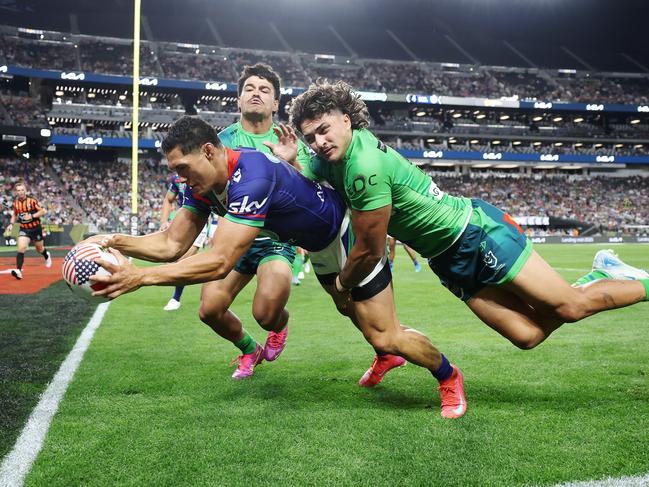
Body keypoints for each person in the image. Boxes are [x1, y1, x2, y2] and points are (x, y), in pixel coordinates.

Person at [87, 115, 466, 419]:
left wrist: (139, 276)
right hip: (319, 245)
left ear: (209, 151)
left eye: (184, 168)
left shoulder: (250, 177)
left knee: (385, 333)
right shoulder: (200, 185)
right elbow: (172, 243)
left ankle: (447, 375)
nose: (181, 179)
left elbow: (220, 261)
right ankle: (387, 357)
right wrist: (112, 240)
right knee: (348, 309)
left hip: (347, 235)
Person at [289, 80, 648, 364]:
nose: (319, 142)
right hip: (447, 260)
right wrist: (292, 159)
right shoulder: (330, 157)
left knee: (571, 307)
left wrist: (341, 284)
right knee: (527, 336)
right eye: (311, 138)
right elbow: (307, 169)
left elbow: (368, 251)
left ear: (346, 120)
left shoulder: (363, 166)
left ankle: (627, 280)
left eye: (325, 129)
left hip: (475, 234)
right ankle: (598, 277)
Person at [159, 173, 210, 311]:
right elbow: (168, 199)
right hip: (183, 222)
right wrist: (164, 221)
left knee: (182, 262)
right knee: (175, 260)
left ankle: (176, 298)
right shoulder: (177, 180)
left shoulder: (203, 175)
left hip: (200, 222)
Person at [6, 181, 52, 279]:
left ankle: (46, 255)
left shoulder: (32, 200)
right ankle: (18, 271)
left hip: (36, 228)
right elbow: (14, 214)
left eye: (22, 190)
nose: (21, 192)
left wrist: (31, 215)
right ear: (16, 192)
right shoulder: (15, 203)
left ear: (26, 191)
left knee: (39, 249)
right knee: (21, 248)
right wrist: (11, 224)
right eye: (18, 190)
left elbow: (42, 211)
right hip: (24, 229)